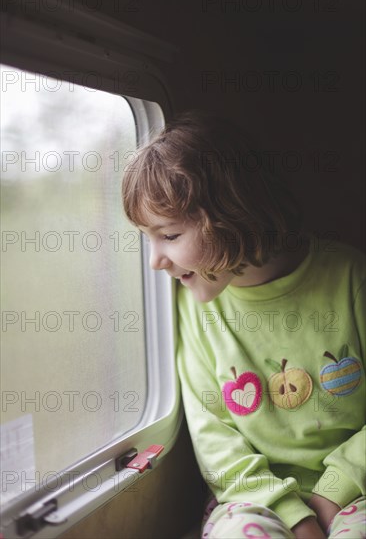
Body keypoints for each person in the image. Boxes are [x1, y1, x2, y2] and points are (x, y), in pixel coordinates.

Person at [122, 110, 365, 539]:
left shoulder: (349, 277)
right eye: (149, 238)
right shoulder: (194, 308)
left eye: (170, 236)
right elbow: (213, 433)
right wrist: (296, 518)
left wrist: (333, 492)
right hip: (252, 497)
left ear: (230, 214)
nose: (156, 261)